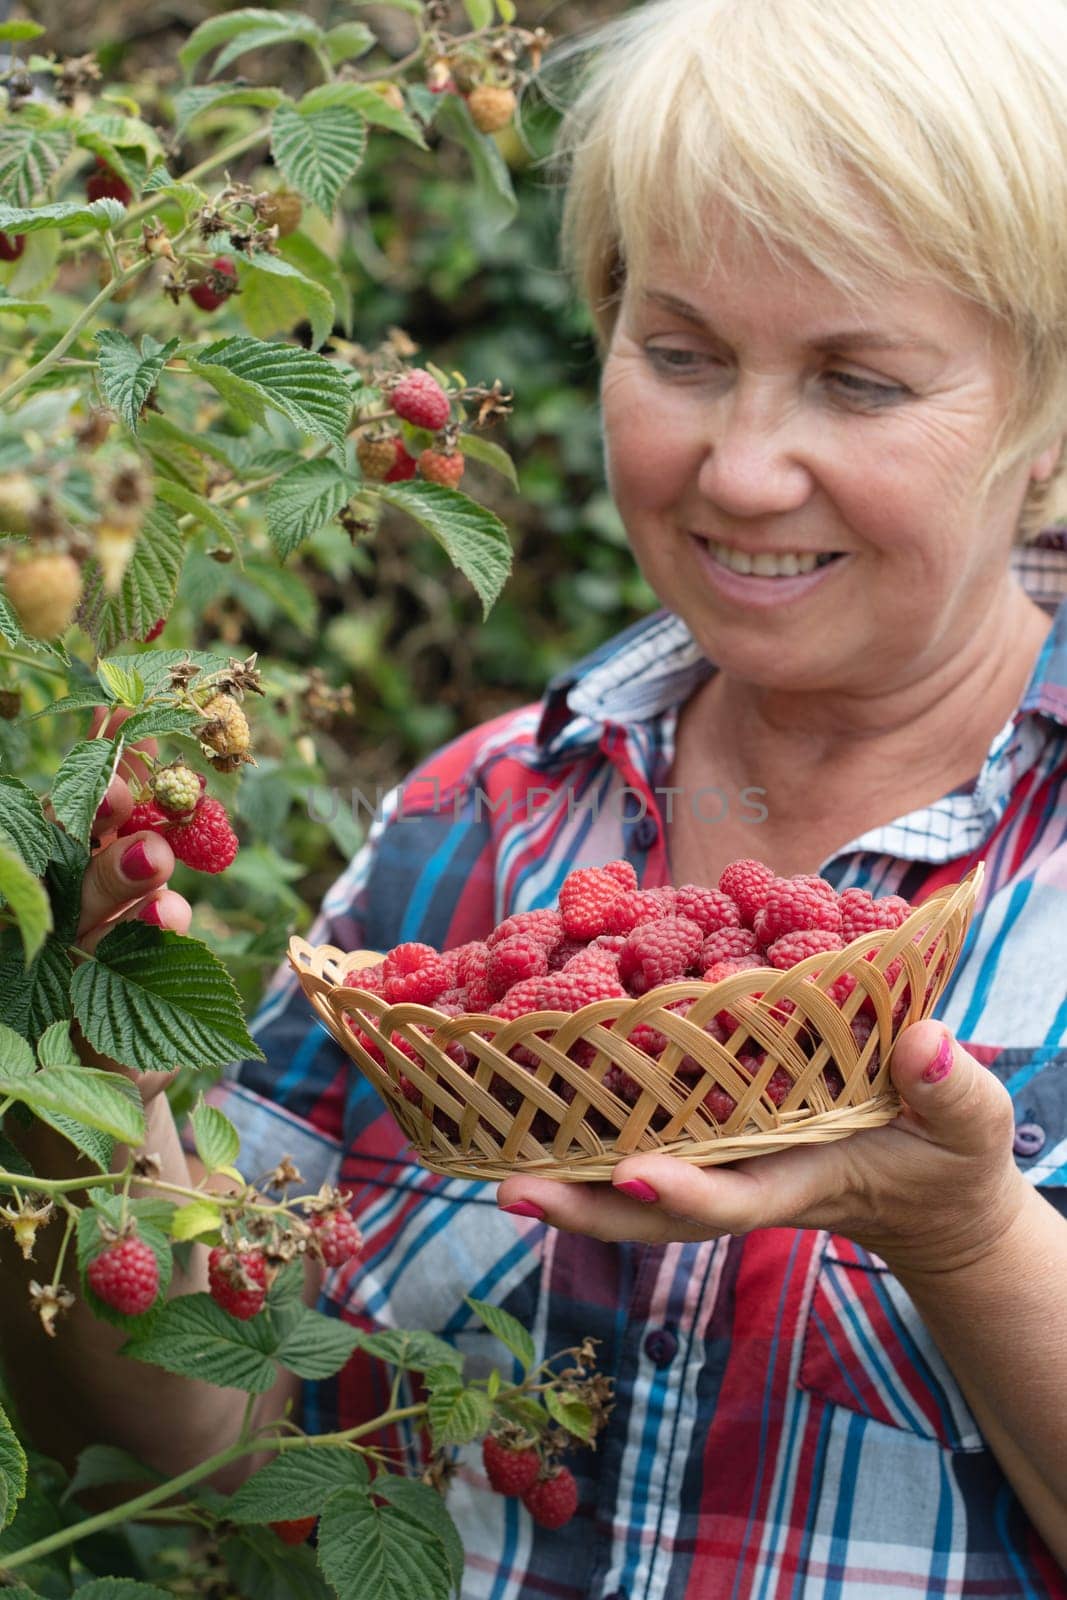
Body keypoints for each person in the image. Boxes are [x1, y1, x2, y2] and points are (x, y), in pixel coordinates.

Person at [4, 0, 1067, 1592]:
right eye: (684, 353)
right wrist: (73, 1050)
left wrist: (967, 1236)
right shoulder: (477, 818)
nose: (744, 466)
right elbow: (219, 1442)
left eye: (860, 382)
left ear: (1049, 425)